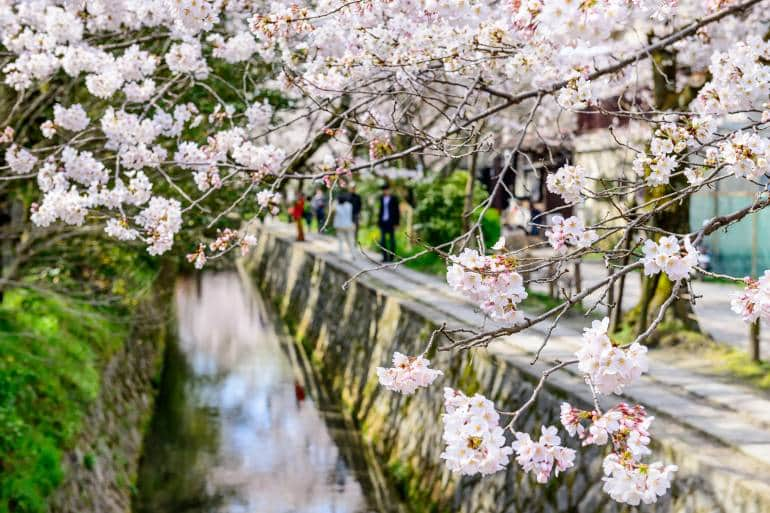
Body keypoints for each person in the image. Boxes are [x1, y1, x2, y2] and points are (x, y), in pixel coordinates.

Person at [377, 183, 400, 262]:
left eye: (386, 190)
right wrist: (379, 221)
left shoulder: (394, 198)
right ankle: (385, 257)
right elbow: (381, 210)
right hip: (383, 222)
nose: (385, 191)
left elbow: (397, 211)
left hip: (392, 222)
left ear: (389, 190)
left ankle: (391, 257)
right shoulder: (381, 198)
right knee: (382, 240)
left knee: (392, 240)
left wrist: (397, 223)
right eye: (384, 190)